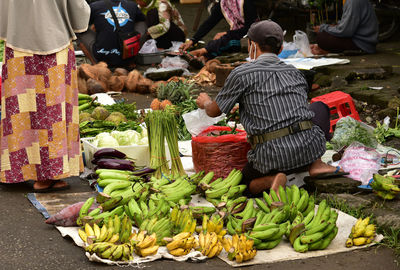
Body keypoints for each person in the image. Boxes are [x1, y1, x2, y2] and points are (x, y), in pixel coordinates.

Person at [196, 20, 345, 196]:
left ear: (252, 45)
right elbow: (294, 109)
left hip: (272, 157)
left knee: (242, 185)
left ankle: (271, 180)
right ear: (281, 49)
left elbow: (214, 111)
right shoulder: (295, 72)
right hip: (308, 149)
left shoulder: (241, 73)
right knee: (319, 107)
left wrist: (205, 101)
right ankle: (316, 164)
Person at [0, 0, 90, 192]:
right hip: (56, 46)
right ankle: (49, 175)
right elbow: (79, 9)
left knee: (22, 112)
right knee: (54, 111)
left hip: (19, 48)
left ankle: (21, 171)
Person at [179, 0, 257, 61]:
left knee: (227, 40)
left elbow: (250, 28)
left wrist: (227, 33)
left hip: (252, 37)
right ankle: (204, 57)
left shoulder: (246, 2)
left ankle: (202, 52)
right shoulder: (225, 3)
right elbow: (210, 22)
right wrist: (193, 40)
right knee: (221, 39)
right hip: (237, 33)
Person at [77, 0, 147, 67]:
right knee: (141, 23)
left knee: (79, 29)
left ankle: (95, 64)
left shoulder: (94, 6)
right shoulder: (132, 5)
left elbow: (82, 24)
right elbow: (142, 20)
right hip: (127, 56)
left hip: (101, 56)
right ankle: (132, 59)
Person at [310, 0, 379, 55]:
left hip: (362, 44)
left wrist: (323, 28)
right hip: (360, 40)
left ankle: (326, 49)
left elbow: (346, 31)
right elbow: (346, 24)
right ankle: (325, 49)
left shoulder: (353, 1)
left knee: (322, 37)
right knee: (324, 35)